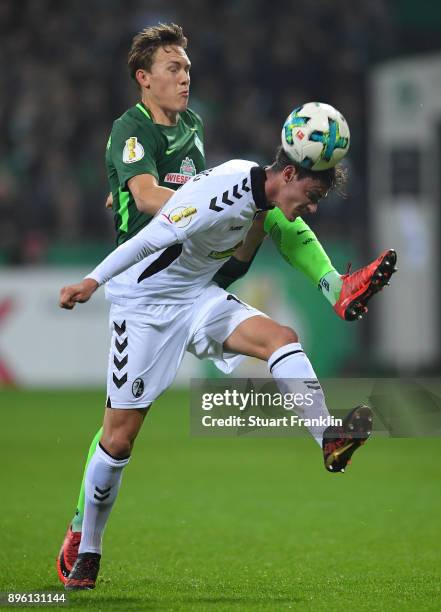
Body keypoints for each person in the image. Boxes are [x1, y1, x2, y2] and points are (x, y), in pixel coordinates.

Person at [56, 22, 397, 586]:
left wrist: (225, 211)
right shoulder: (132, 130)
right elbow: (150, 212)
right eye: (173, 67)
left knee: (281, 335)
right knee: (117, 439)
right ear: (144, 79)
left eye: (187, 66)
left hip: (196, 286)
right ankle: (85, 545)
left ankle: (330, 433)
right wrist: (95, 279)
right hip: (144, 296)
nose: (185, 76)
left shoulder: (193, 128)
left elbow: (220, 205)